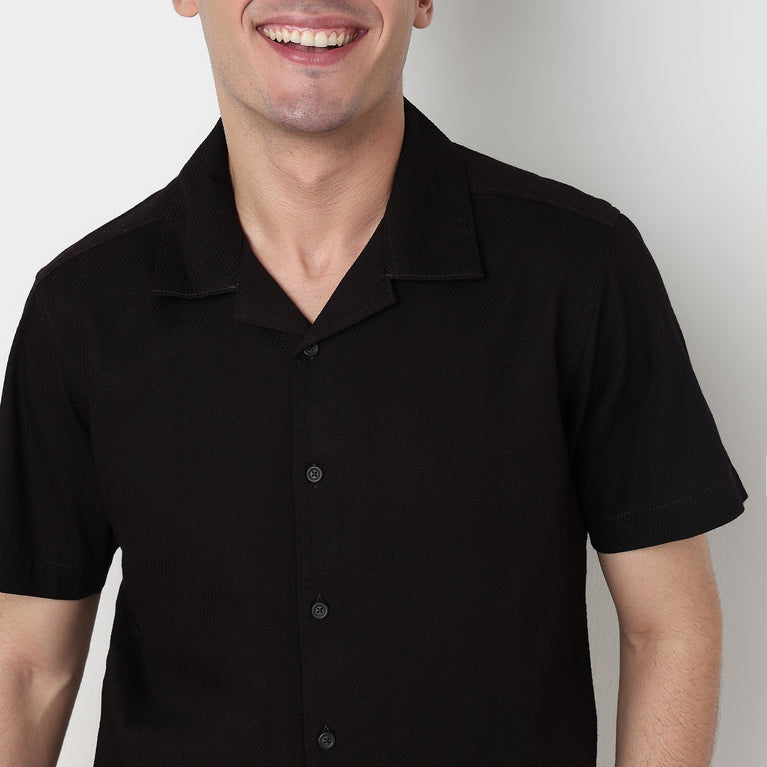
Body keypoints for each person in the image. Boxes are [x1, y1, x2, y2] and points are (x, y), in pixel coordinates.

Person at [0, 1, 748, 765]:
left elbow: (667, 626)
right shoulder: (79, 311)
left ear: (422, 1)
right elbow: (24, 668)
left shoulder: (581, 271)